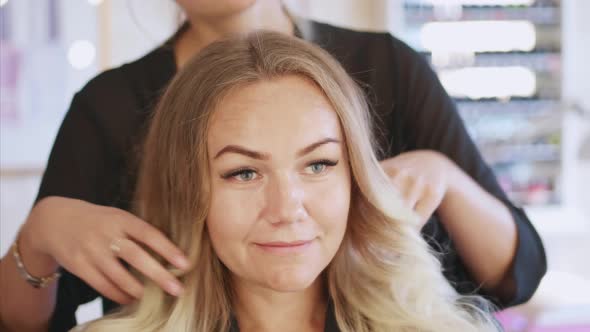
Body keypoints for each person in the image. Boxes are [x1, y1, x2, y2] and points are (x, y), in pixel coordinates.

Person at [0, 1, 545, 331]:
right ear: (185, 186)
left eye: (319, 164)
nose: (287, 210)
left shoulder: (389, 68)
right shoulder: (110, 108)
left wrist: (442, 174)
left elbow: (514, 272)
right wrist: (39, 234)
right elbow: (25, 320)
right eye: (242, 172)